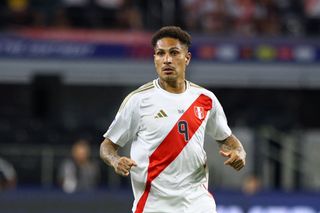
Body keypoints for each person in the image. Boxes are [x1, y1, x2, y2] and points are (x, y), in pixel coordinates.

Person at [100, 26, 246, 213]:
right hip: (153, 205)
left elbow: (227, 140)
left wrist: (239, 152)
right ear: (154, 59)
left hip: (198, 203)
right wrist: (115, 160)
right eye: (160, 54)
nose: (167, 59)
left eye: (174, 53)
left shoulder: (205, 99)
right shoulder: (138, 100)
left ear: (187, 58)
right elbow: (107, 146)